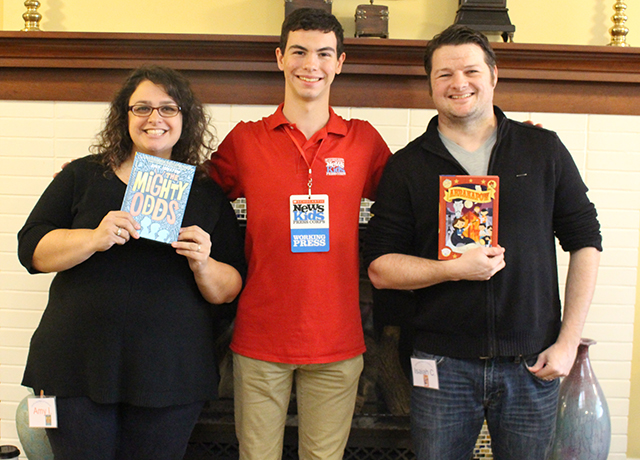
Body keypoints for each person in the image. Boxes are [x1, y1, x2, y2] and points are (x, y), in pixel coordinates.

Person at [363, 25, 602, 460]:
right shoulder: (407, 166)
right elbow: (379, 268)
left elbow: (586, 239)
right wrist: (451, 269)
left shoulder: (542, 149)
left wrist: (568, 341)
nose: (459, 83)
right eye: (444, 74)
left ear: (493, 75)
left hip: (533, 362)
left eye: (471, 70)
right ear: (430, 83)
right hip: (441, 364)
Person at [17, 65, 246, 460]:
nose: (154, 118)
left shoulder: (206, 193)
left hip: (172, 373)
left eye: (168, 108)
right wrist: (93, 238)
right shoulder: (83, 175)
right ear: (124, 117)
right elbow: (32, 249)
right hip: (78, 365)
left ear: (184, 118)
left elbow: (230, 289)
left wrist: (203, 263)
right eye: (141, 108)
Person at [208, 8, 391, 460]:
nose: (312, 64)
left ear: (340, 63)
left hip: (338, 342)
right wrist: (112, 184)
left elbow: (412, 202)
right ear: (279, 58)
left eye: (324, 53)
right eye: (300, 51)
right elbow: (191, 195)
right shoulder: (245, 140)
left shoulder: (364, 141)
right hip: (259, 339)